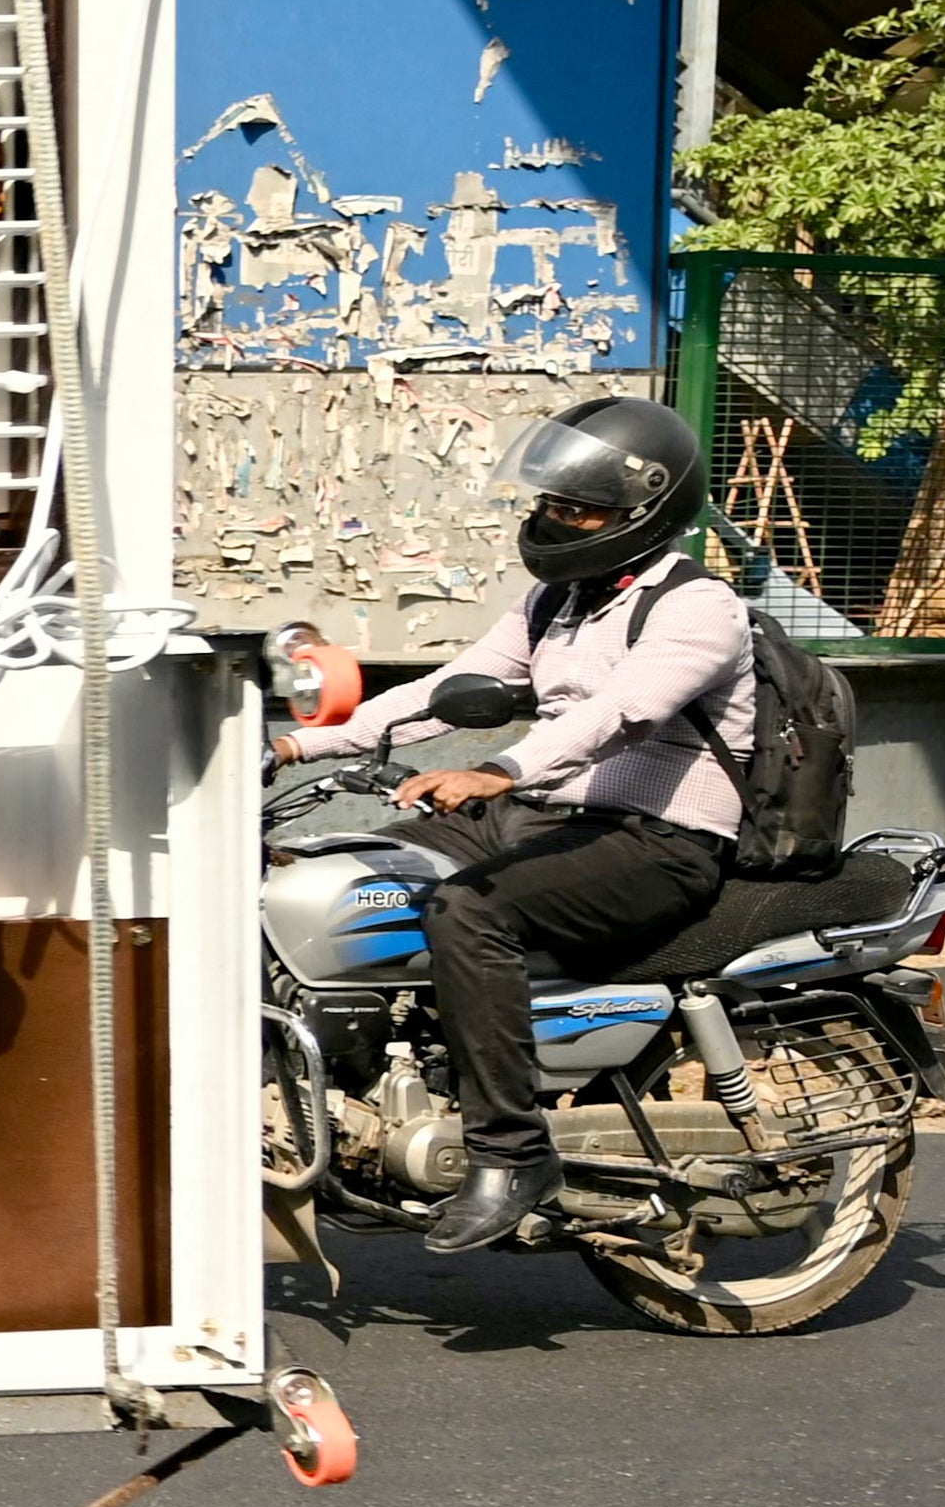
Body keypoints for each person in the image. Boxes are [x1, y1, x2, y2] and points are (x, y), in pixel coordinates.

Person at [281, 394, 749, 1254]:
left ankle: (510, 1152)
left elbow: (620, 713)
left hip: (654, 841)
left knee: (470, 912)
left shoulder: (697, 607)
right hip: (541, 817)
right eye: (550, 503)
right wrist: (293, 745)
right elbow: (442, 690)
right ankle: (380, 1085)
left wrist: (499, 769)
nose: (554, 520)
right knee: (356, 876)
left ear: (644, 510)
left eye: (578, 507)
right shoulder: (555, 602)